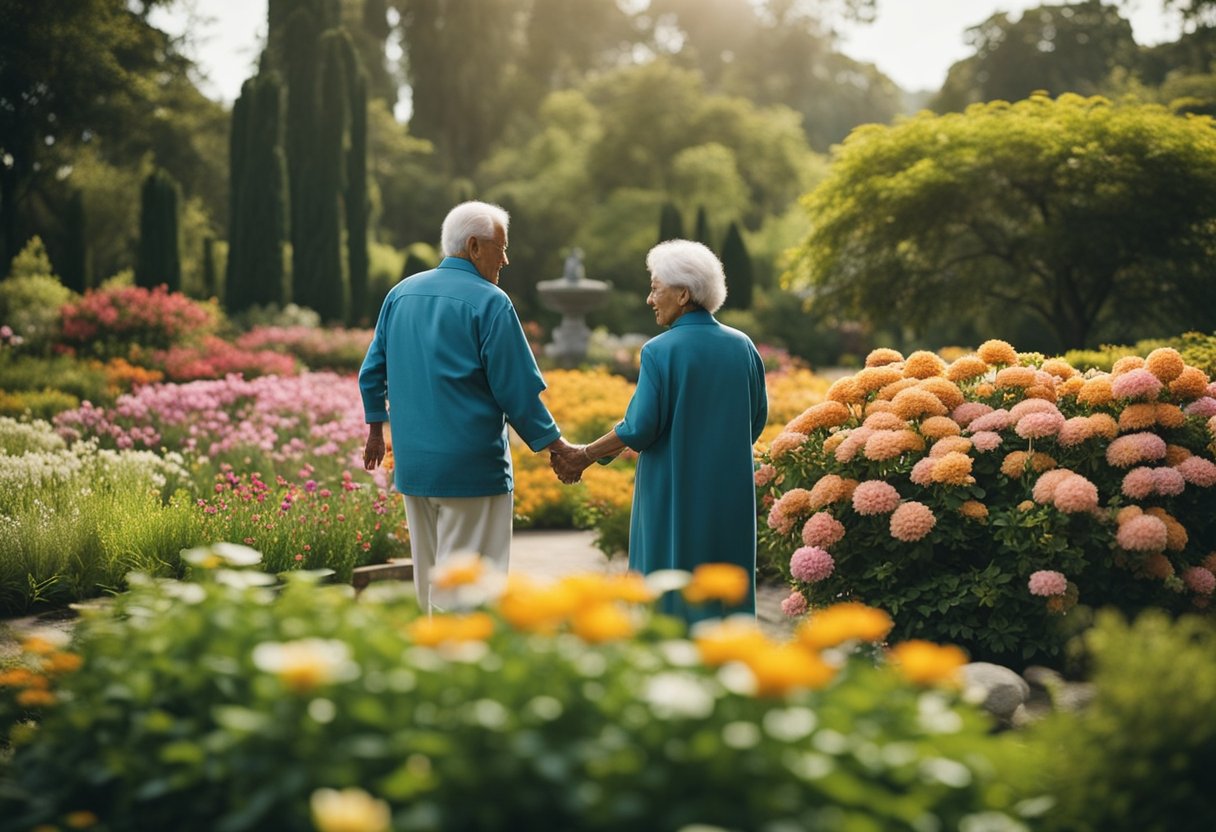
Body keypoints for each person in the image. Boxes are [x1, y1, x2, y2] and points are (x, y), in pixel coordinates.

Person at [360, 200, 578, 612]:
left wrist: (376, 430)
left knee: (429, 584)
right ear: (475, 247)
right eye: (502, 247)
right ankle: (461, 668)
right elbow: (515, 392)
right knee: (470, 590)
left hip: (414, 469)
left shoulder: (400, 294)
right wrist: (557, 447)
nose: (506, 259)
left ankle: (431, 665)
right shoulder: (491, 302)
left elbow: (371, 372)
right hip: (472, 471)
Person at [552, 239, 768, 623]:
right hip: (730, 493)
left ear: (683, 294)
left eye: (655, 288)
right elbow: (755, 421)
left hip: (672, 490)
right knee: (725, 585)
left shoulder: (660, 350)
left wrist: (584, 454)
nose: (650, 299)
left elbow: (638, 428)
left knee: (670, 584)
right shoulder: (744, 346)